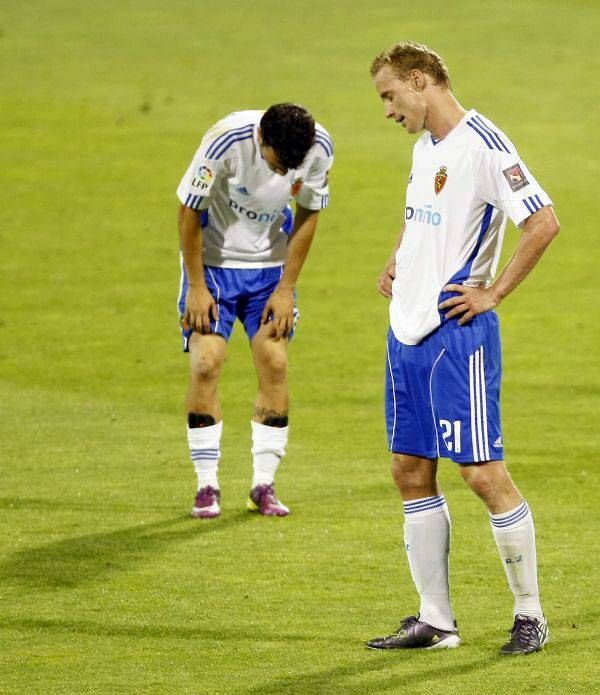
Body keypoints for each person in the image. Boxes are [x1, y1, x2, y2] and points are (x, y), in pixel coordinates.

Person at [366, 42, 559, 655]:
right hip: (407, 329)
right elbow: (420, 211)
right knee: (409, 470)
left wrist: (494, 292)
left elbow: (543, 221)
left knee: (481, 473)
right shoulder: (427, 148)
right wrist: (398, 258)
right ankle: (436, 620)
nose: (389, 111)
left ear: (420, 81)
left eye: (390, 95)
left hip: (457, 334)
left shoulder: (483, 145)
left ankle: (529, 614)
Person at [176, 104, 333, 519]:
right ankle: (206, 485)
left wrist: (287, 287)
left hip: (269, 272)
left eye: (290, 170)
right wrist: (195, 285)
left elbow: (309, 212)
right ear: (260, 138)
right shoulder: (225, 140)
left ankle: (263, 485)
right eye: (277, 165)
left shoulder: (318, 147)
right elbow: (189, 210)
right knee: (207, 362)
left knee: (275, 362)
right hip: (213, 267)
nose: (283, 176)